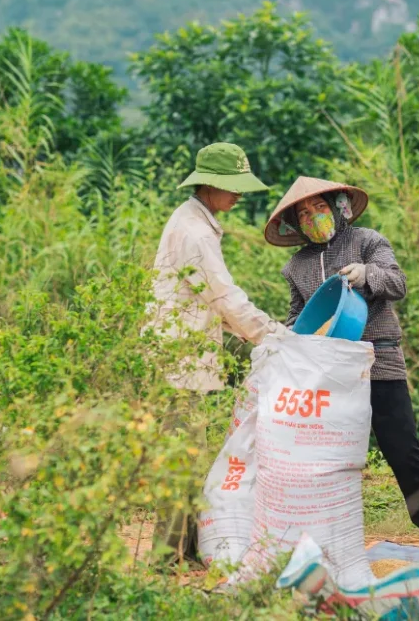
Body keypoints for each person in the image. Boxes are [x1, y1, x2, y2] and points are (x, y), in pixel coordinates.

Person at [264, 176, 419, 560]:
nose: (313, 217)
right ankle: (319, 538)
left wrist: (366, 274)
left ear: (337, 207)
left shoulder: (366, 241)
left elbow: (397, 283)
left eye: (319, 207)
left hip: (378, 359)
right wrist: (283, 339)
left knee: (402, 449)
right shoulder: (296, 266)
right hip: (328, 373)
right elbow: (298, 317)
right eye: (303, 214)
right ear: (296, 225)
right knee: (323, 457)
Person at [147, 142, 288, 567]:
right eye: (232, 186)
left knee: (186, 456)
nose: (238, 195)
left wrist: (258, 334)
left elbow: (209, 302)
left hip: (180, 355)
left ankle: (182, 551)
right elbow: (225, 298)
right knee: (181, 460)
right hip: (176, 362)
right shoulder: (194, 233)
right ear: (209, 184)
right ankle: (166, 559)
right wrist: (273, 335)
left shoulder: (194, 222)